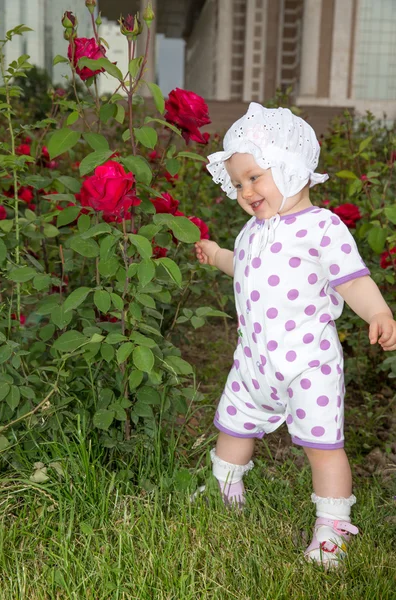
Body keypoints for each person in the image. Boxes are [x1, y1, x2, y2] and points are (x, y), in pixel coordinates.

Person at [194, 103, 396, 567]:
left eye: (254, 177)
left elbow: (351, 279)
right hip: (254, 360)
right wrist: (218, 252)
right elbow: (238, 265)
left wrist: (378, 311)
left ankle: (331, 527)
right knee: (233, 425)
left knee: (323, 447)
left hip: (309, 362)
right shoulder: (251, 231)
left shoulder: (321, 227)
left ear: (290, 166)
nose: (246, 191)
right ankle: (226, 489)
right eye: (239, 182)